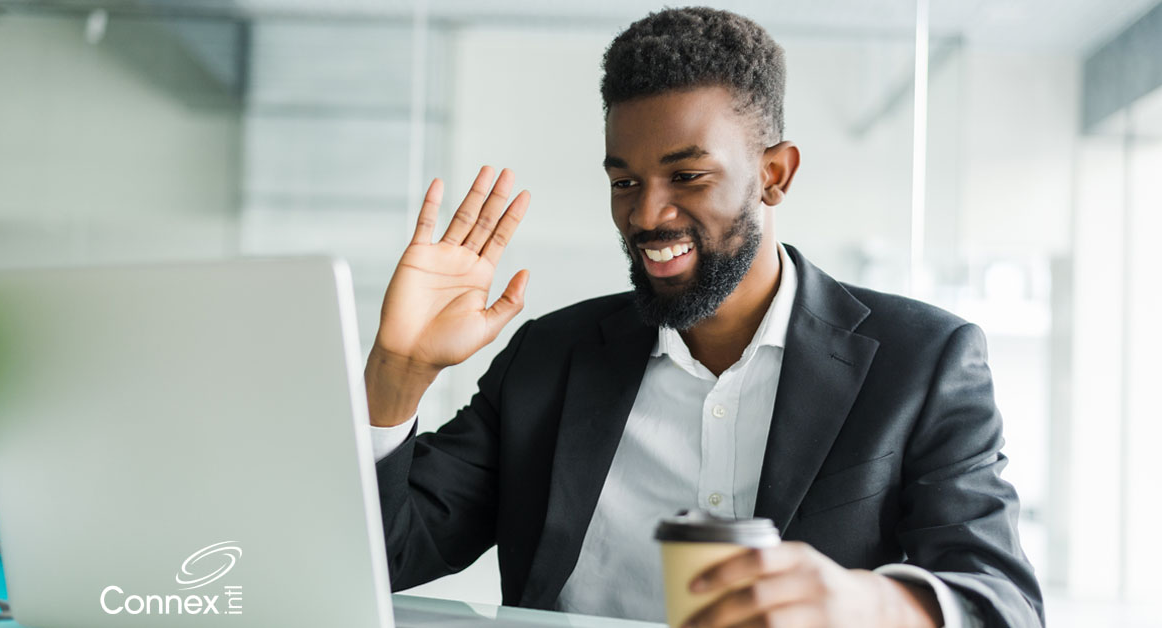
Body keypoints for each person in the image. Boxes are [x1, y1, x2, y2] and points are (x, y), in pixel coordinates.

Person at [363, 7, 1043, 628]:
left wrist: (867, 602)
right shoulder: (550, 357)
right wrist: (398, 374)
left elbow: (1002, 605)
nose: (646, 214)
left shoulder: (922, 360)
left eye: (687, 176)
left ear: (774, 174)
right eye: (624, 181)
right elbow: (388, 557)